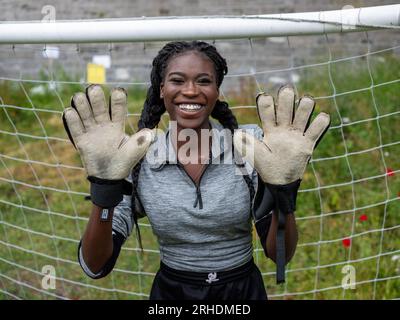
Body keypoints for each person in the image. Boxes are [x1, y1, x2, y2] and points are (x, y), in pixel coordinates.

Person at [62, 40, 330, 300]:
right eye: (178, 80)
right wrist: (105, 188)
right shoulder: (135, 157)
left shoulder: (249, 147)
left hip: (241, 292)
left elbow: (280, 254)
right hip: (173, 292)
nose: (190, 91)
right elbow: (95, 264)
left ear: (217, 90)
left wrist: (284, 191)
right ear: (161, 90)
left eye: (204, 81)